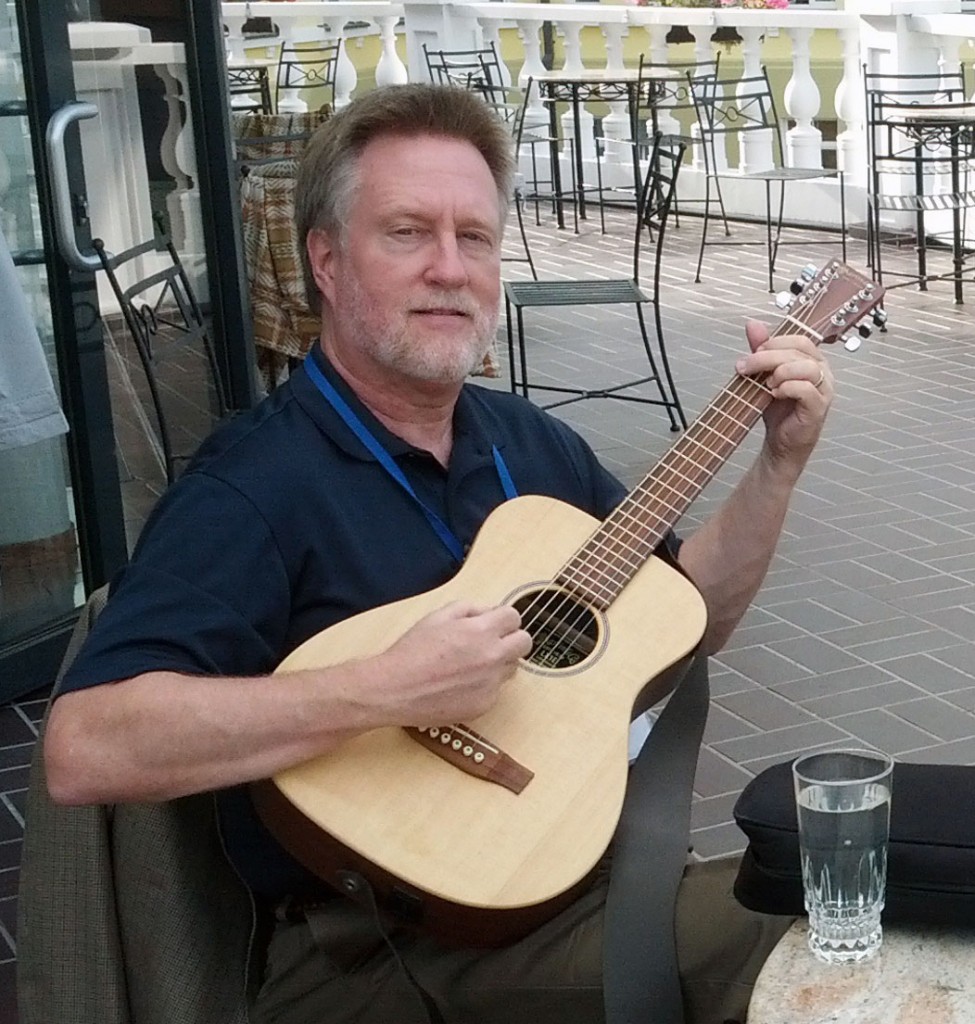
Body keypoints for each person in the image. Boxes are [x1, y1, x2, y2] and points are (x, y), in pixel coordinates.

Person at [44, 83, 834, 1024]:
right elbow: (83, 747)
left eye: (476, 238)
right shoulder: (253, 490)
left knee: (850, 860)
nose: (450, 269)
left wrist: (776, 466)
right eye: (408, 233)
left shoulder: (525, 443)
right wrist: (383, 689)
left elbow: (685, 615)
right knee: (824, 905)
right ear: (327, 262)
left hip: (567, 874)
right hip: (371, 950)